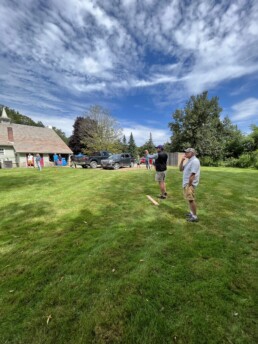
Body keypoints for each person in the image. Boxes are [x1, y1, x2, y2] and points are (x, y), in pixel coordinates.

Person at [179, 148, 200, 222]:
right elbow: (181, 169)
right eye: (185, 152)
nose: (185, 153)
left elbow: (193, 174)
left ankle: (194, 217)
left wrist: (189, 186)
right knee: (189, 199)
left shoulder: (195, 161)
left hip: (190, 184)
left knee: (191, 200)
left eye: (187, 152)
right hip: (186, 183)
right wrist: (182, 161)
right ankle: (191, 213)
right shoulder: (189, 161)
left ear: (192, 153)